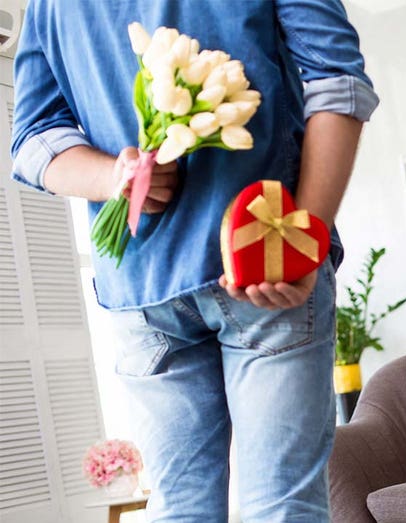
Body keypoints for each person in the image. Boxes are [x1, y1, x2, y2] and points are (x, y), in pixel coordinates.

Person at [12, 1, 377, 520]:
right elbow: (338, 81)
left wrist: (111, 179)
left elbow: (32, 141)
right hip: (261, 261)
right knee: (281, 506)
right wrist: (299, 240)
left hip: (141, 284)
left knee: (180, 511)